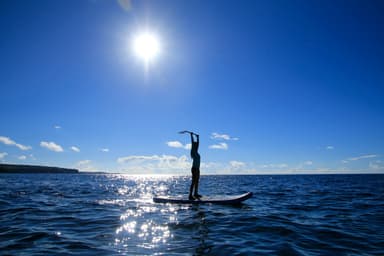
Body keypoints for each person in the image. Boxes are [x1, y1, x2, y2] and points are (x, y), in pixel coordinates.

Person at [189, 132, 202, 200]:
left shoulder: (197, 152)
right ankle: (190, 195)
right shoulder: (193, 152)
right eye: (195, 146)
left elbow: (198, 144)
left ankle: (196, 194)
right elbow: (192, 143)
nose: (196, 146)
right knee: (193, 182)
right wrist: (191, 135)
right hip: (194, 169)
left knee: (197, 181)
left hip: (198, 169)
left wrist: (197, 137)